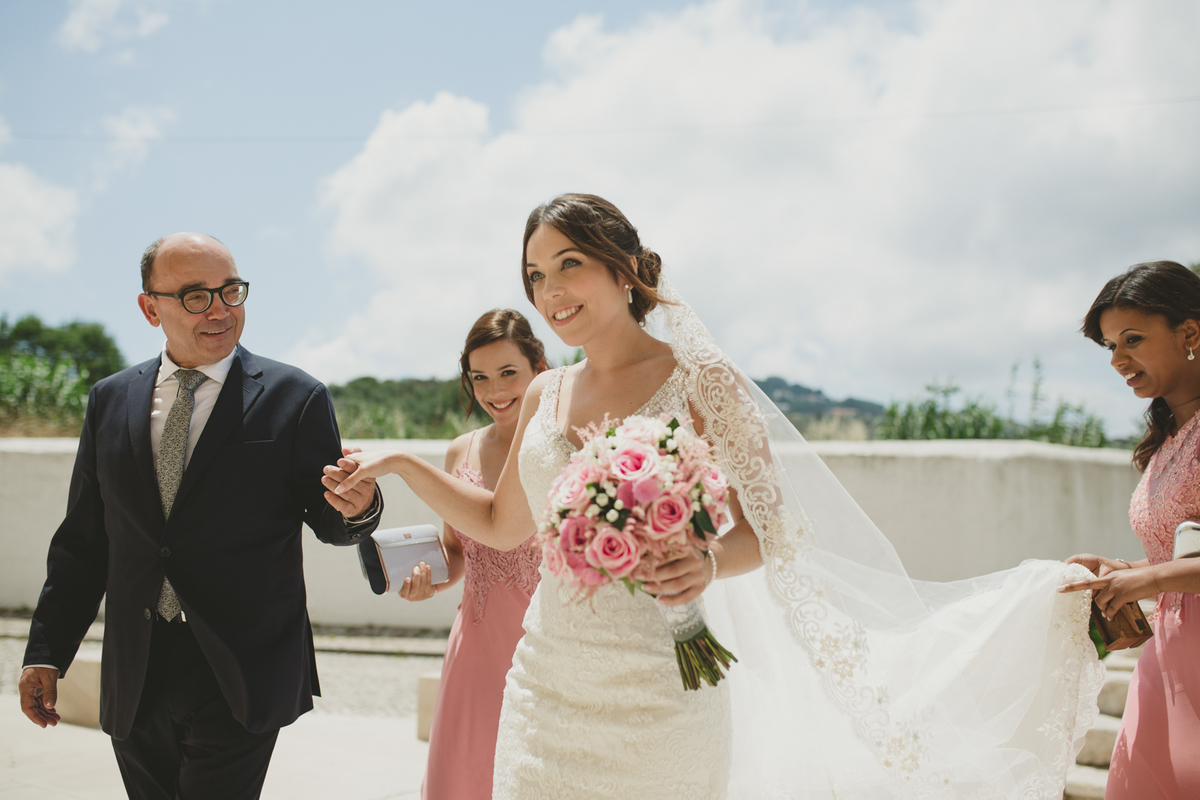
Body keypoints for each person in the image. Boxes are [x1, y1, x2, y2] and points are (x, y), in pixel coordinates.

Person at [329, 194, 1104, 799]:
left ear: (623, 267)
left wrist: (705, 563)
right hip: (545, 682)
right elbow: (501, 526)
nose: (550, 291)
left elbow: (773, 530)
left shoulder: (702, 382)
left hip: (662, 680)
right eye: (535, 275)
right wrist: (399, 461)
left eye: (568, 265)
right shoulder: (543, 394)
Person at [18, 233, 383, 800]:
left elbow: (332, 520)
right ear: (150, 308)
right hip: (135, 668)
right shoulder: (109, 400)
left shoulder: (297, 396)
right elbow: (84, 543)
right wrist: (46, 651)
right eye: (195, 295)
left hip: (241, 668)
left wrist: (361, 508)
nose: (219, 309)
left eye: (230, 291)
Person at [1061, 260, 1200, 800]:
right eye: (1110, 346)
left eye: (1133, 339)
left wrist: (1149, 580)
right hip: (1168, 653)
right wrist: (1128, 570)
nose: (1118, 360)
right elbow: (1184, 553)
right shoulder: (1167, 440)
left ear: (1189, 332)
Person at [400, 309, 547, 800]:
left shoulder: (560, 445)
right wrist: (430, 579)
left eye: (509, 373)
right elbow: (455, 550)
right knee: (462, 777)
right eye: (479, 377)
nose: (494, 390)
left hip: (546, 639)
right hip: (476, 647)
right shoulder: (459, 450)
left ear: (538, 368)